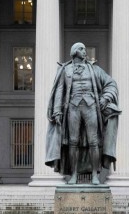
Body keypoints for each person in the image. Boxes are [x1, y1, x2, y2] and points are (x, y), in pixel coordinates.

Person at [45, 43, 120, 184]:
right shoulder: (65, 70)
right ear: (74, 51)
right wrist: (56, 111)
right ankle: (73, 175)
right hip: (72, 107)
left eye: (85, 49)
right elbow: (60, 90)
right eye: (81, 49)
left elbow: (111, 83)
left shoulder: (94, 69)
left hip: (91, 106)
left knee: (94, 142)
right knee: (73, 142)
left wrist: (105, 98)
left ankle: (94, 175)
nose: (84, 51)